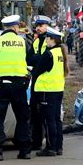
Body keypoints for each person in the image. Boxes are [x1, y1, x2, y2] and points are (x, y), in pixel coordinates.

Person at [0, 15, 31, 161]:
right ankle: (25, 151)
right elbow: (28, 59)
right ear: (16, 27)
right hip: (19, 85)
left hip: (1, 85)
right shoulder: (23, 42)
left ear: (4, 28)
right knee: (22, 118)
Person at [33, 27, 68, 156]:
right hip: (57, 89)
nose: (46, 40)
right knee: (56, 119)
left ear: (52, 39)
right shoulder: (60, 53)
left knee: (48, 120)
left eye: (47, 38)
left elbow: (38, 70)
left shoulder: (49, 54)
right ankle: (59, 146)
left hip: (46, 90)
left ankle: (50, 147)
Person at [27, 15, 51, 150]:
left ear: (48, 26)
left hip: (47, 83)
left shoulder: (50, 41)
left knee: (46, 115)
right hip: (36, 81)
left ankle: (50, 143)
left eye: (41, 25)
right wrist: (37, 59)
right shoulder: (36, 42)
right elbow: (29, 59)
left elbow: (44, 61)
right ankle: (36, 142)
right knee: (35, 114)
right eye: (37, 26)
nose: (38, 28)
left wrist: (37, 59)